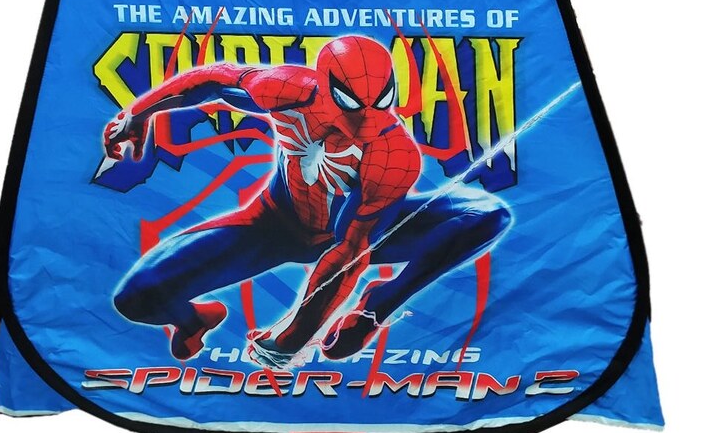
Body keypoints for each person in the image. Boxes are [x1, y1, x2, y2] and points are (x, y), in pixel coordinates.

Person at [104, 35, 510, 367]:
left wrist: (293, 336)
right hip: (271, 226)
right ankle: (194, 321)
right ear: (325, 87)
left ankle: (380, 304)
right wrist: (138, 114)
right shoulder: (288, 90)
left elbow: (352, 250)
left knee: (488, 215)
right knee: (135, 299)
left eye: (381, 103)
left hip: (356, 232)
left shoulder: (393, 154)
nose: (365, 125)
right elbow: (213, 80)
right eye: (351, 105)